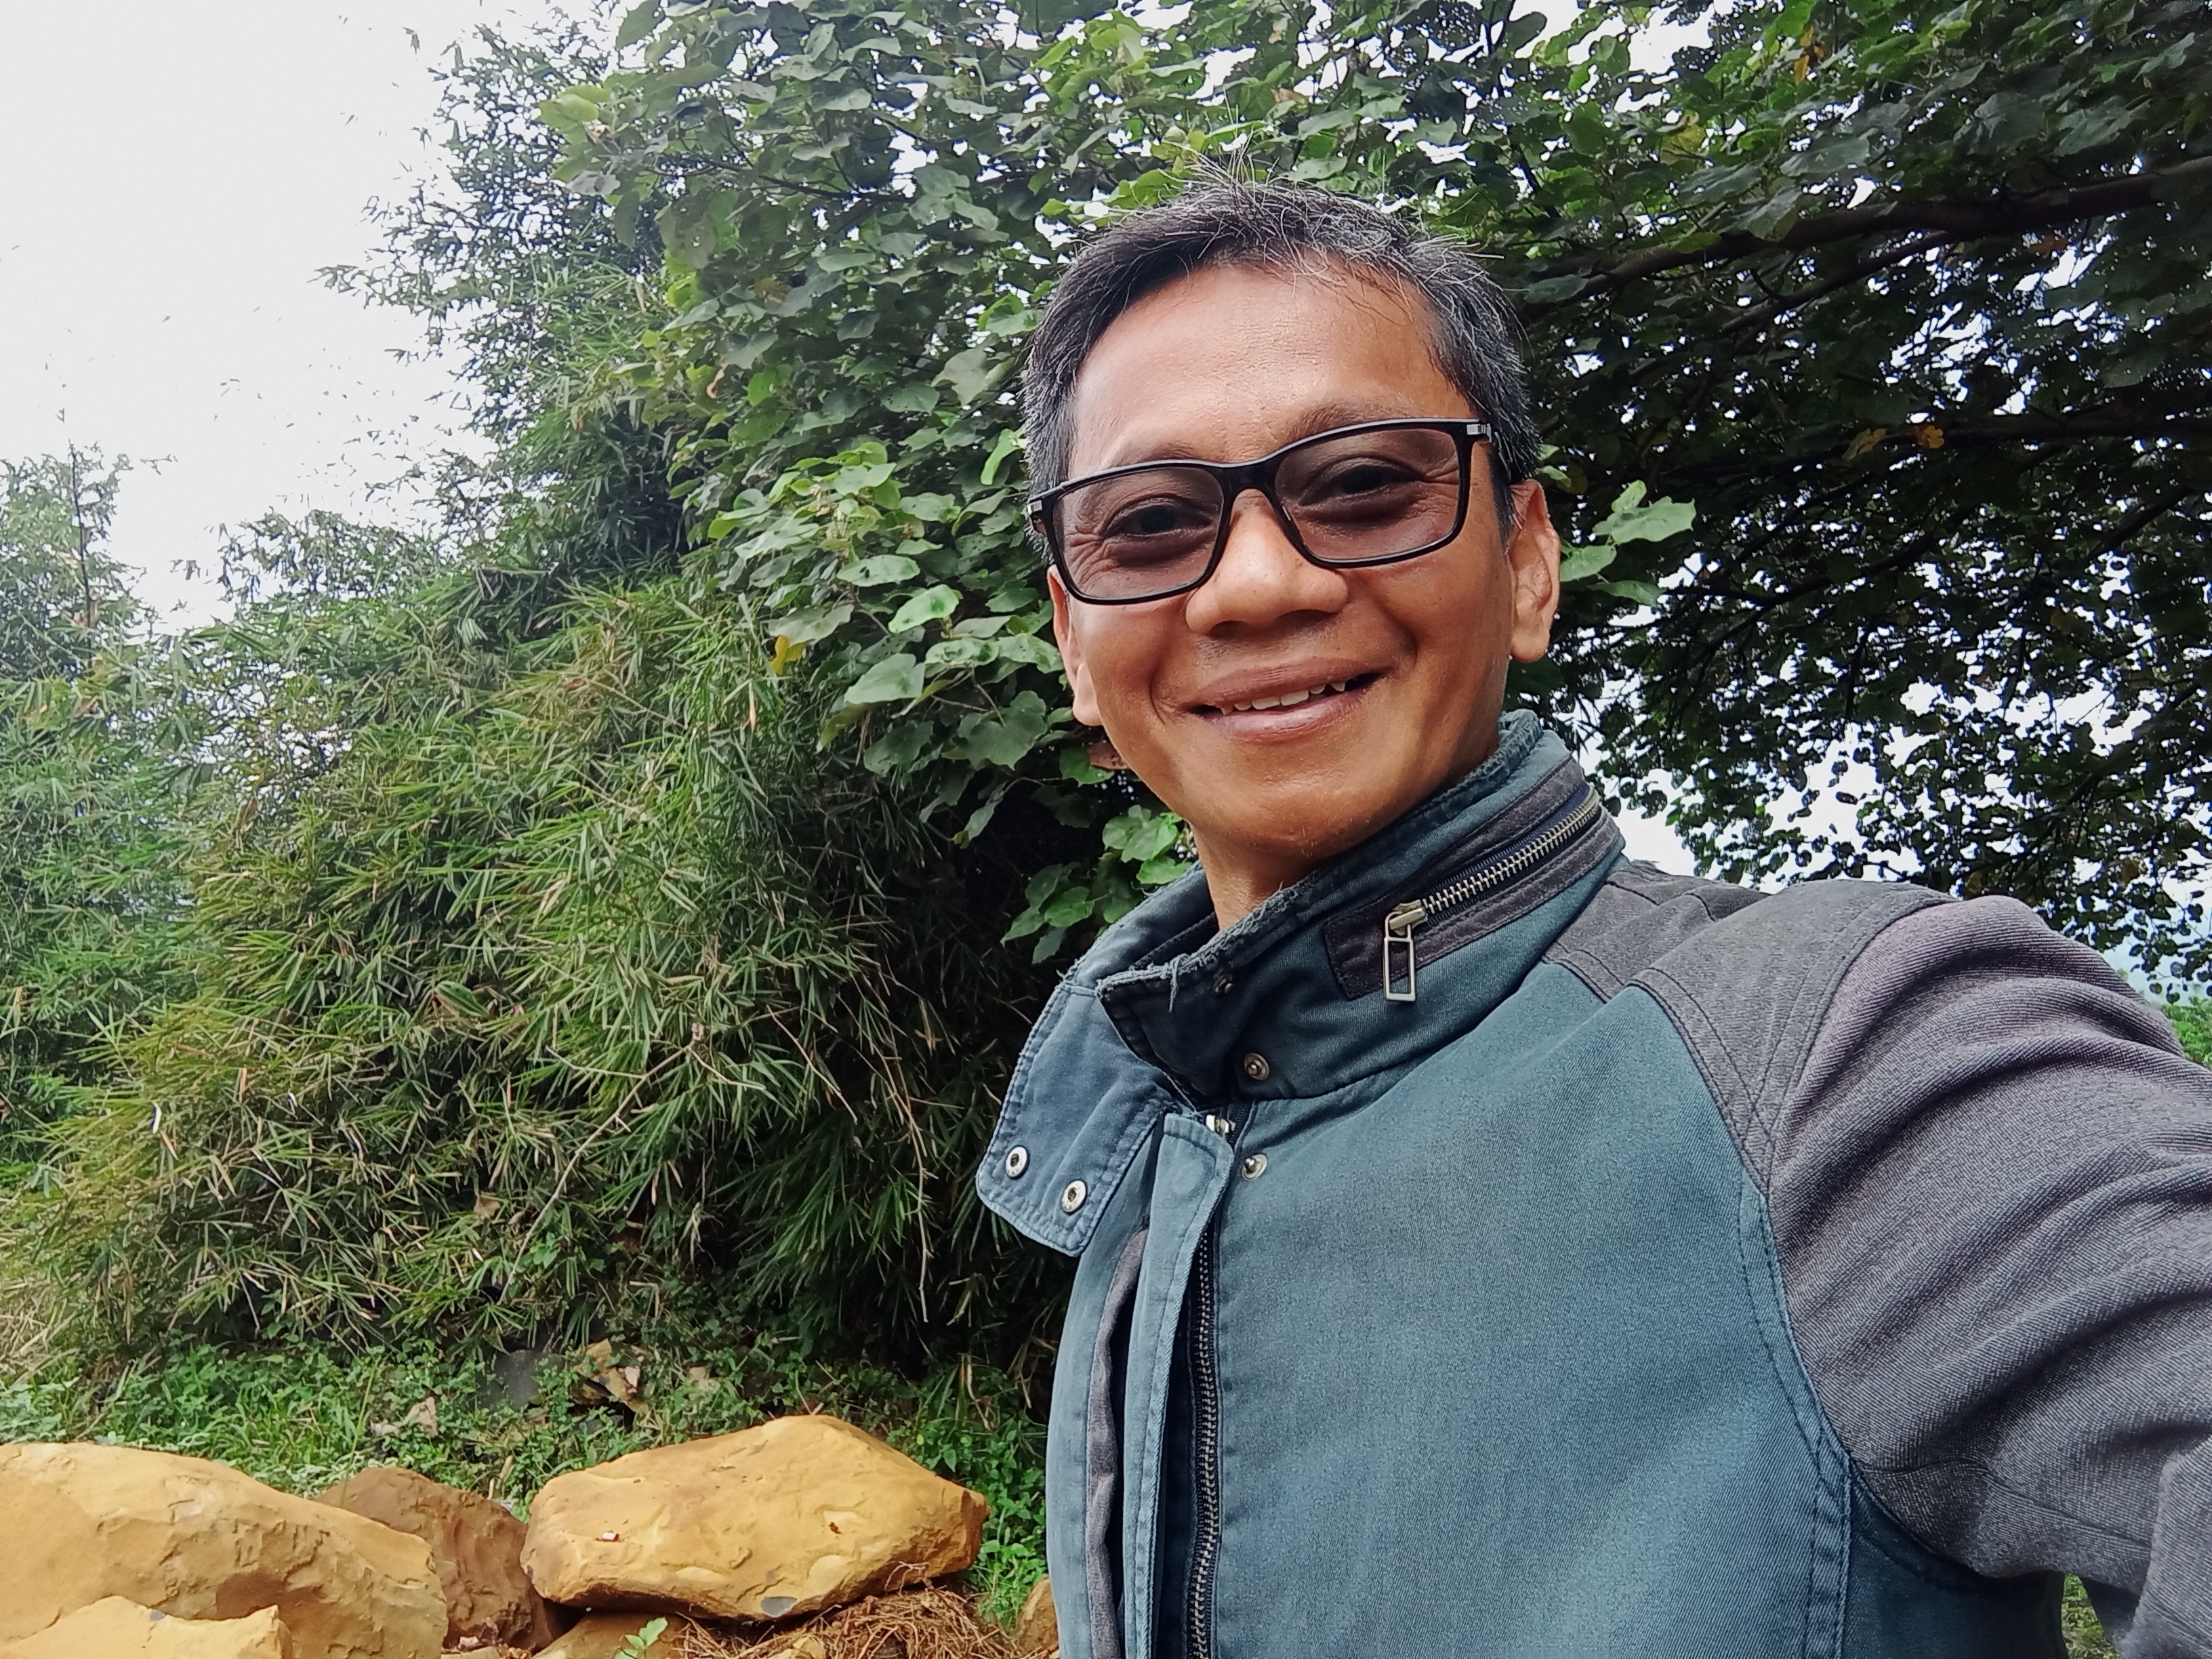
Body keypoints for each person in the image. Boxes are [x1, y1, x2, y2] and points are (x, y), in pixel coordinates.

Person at [972, 179, 2212, 1659]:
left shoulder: (1849, 1055)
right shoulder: (1155, 1130)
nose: (1253, 584)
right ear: (1076, 641)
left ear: (1527, 562)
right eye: (1149, 524)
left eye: (1362, 486)